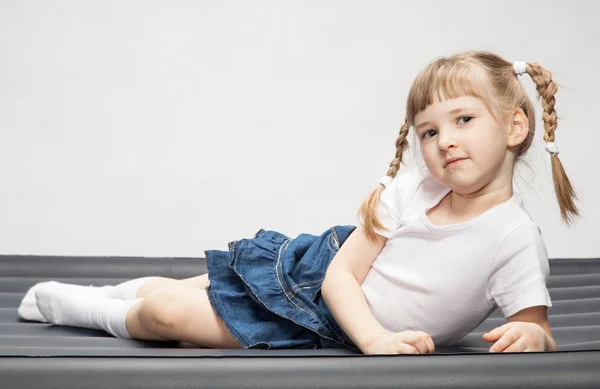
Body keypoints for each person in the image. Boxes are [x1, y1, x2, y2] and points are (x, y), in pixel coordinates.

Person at [18, 50, 579, 355]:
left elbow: (535, 324)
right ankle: (82, 299)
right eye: (427, 132)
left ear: (515, 125)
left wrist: (533, 333)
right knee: (184, 290)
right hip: (321, 274)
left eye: (462, 120)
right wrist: (376, 340)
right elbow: (339, 277)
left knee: (165, 311)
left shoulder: (512, 237)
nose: (444, 140)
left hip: (320, 325)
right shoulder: (414, 190)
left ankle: (85, 306)